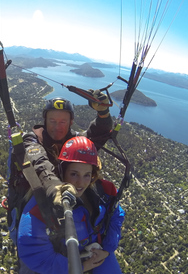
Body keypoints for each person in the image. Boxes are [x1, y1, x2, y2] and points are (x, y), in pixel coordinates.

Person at [17, 136, 125, 273]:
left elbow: (117, 215)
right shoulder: (43, 204)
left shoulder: (104, 191)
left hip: (98, 253)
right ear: (62, 171)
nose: (81, 183)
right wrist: (81, 267)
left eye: (87, 175)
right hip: (62, 261)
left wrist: (107, 250)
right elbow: (33, 250)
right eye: (74, 174)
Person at [22, 92, 113, 206]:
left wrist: (103, 114)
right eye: (52, 121)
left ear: (71, 122)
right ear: (45, 121)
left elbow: (96, 135)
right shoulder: (33, 139)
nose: (57, 127)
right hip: (42, 197)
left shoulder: (75, 140)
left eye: (63, 122)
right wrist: (54, 186)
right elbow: (39, 162)